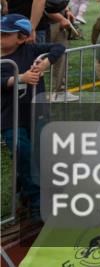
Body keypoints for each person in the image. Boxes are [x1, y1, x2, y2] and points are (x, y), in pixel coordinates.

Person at [1, 14, 66, 221]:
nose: (0, 37)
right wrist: (20, 78)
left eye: (5, 34)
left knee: (36, 156)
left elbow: (59, 47)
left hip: (35, 114)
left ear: (21, 38)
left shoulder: (29, 51)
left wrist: (46, 62)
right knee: (23, 152)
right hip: (9, 118)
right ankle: (37, 202)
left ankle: (26, 195)